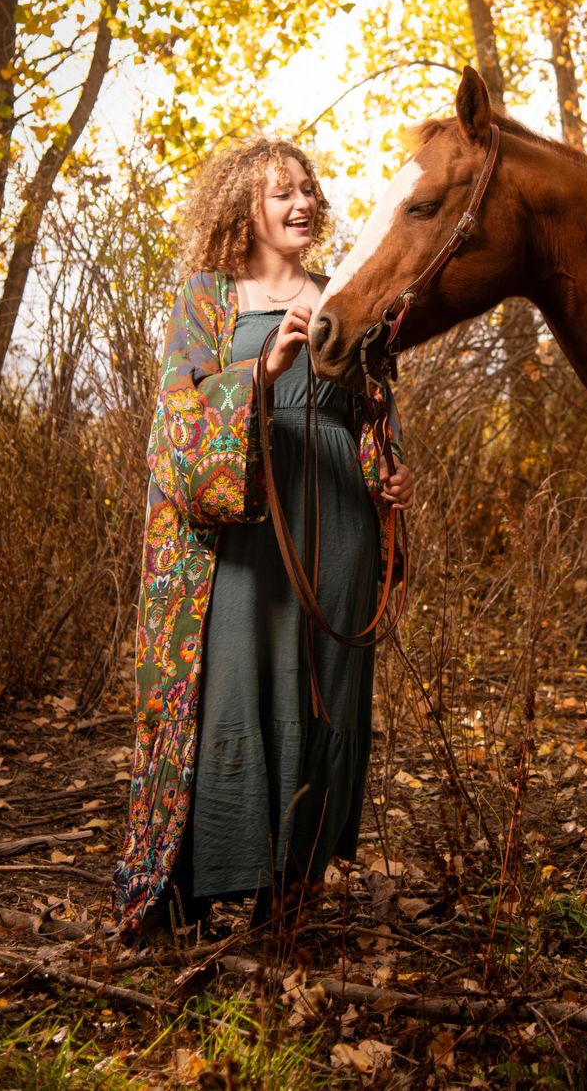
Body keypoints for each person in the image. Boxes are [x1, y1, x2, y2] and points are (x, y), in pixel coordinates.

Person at [112, 137, 414, 936]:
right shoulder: (208, 298)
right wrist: (265, 374)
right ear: (244, 207)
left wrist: (390, 472)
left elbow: (373, 408)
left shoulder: (345, 292)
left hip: (339, 519)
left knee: (326, 692)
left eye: (307, 189)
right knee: (237, 687)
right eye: (282, 193)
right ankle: (207, 882)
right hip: (245, 527)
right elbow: (177, 424)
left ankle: (295, 893)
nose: (302, 203)